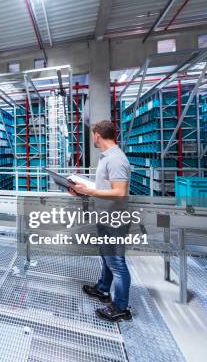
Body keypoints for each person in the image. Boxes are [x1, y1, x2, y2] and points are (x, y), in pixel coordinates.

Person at [71, 120, 132, 323]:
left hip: (115, 218)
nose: (93, 138)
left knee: (116, 262)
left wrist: (90, 191)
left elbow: (120, 192)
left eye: (93, 135)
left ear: (97, 135)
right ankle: (103, 290)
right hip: (106, 216)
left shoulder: (115, 159)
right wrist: (83, 189)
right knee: (107, 257)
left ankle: (121, 307)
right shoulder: (108, 157)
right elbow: (106, 187)